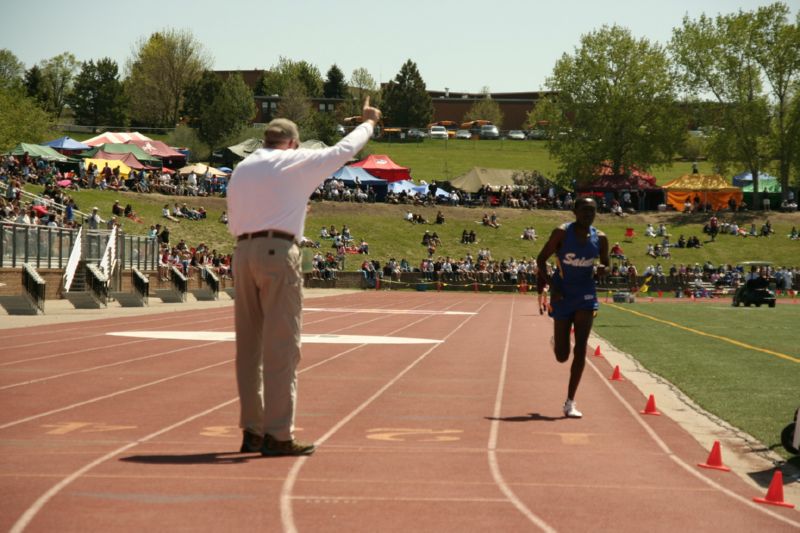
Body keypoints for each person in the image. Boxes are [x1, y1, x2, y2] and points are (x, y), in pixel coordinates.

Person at [226, 97, 382, 457]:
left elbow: (240, 217)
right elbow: (344, 149)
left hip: (242, 252)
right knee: (281, 347)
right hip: (277, 254)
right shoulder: (293, 162)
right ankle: (278, 434)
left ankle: (251, 430)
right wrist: (369, 122)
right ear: (293, 143)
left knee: (248, 349)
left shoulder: (243, 168)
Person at [536, 196, 609, 418]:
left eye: (592, 211)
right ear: (575, 211)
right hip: (562, 293)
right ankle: (557, 341)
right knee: (562, 355)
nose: (588, 215)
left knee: (581, 348)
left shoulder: (601, 238)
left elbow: (606, 262)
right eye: (584, 210)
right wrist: (552, 287)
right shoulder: (561, 233)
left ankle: (570, 402)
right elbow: (540, 259)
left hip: (586, 294)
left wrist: (604, 268)